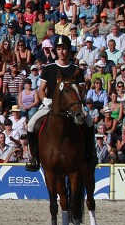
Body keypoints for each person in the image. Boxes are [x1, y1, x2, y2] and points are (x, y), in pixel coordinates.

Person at [25, 34, 97, 172]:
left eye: (64, 49)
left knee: (89, 122)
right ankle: (34, 157)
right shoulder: (49, 68)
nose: (61, 52)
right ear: (56, 51)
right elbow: (41, 89)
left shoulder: (76, 70)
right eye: (58, 49)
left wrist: (77, 102)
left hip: (72, 106)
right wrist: (45, 99)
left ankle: (90, 153)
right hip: (52, 104)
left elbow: (82, 90)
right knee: (31, 123)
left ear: (68, 50)